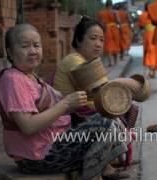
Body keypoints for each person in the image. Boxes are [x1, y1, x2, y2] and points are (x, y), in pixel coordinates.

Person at [0, 23, 128, 180]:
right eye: (25, 46)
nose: (32, 51)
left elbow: (60, 101)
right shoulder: (13, 79)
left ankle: (102, 167)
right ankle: (94, 172)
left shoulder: (31, 76)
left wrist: (76, 101)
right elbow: (28, 126)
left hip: (55, 141)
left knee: (106, 117)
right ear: (10, 52)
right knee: (104, 121)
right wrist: (66, 105)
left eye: (37, 45)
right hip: (38, 156)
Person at [53, 16, 139, 170]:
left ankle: (111, 156)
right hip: (70, 117)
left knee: (130, 108)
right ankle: (102, 164)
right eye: (93, 38)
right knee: (108, 115)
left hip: (84, 110)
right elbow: (102, 91)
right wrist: (126, 83)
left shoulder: (88, 61)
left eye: (101, 40)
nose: (98, 44)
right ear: (79, 40)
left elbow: (103, 91)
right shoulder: (75, 60)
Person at [97, 0, 121, 67]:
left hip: (107, 29)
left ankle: (110, 62)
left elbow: (100, 22)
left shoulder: (101, 13)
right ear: (111, 5)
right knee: (116, 44)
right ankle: (116, 62)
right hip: (115, 29)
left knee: (108, 45)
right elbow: (118, 21)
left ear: (106, 5)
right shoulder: (115, 12)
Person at [137, 2, 156, 78]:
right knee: (153, 51)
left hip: (148, 34)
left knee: (148, 51)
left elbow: (140, 26)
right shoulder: (154, 14)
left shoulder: (142, 15)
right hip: (155, 33)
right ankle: (152, 70)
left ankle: (151, 70)